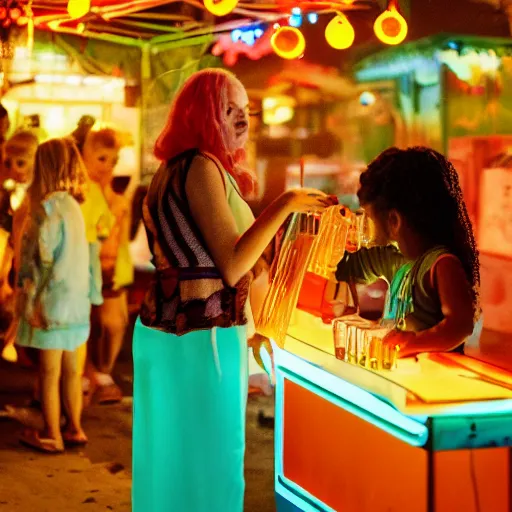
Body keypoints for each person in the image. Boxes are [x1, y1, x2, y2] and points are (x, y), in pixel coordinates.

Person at [132, 68, 334, 512]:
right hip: (203, 335)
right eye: (229, 110)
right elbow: (233, 264)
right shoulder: (201, 166)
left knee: (168, 458)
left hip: (166, 330)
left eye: (246, 110)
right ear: (202, 114)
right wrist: (286, 203)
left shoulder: (172, 169)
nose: (242, 120)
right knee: (212, 461)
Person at [336, 146, 480, 358]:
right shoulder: (399, 261)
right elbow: (349, 270)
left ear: (394, 221)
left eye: (370, 220)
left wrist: (412, 342)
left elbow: (460, 325)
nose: (367, 231)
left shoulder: (442, 263)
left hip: (435, 379)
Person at [15, 138, 91, 453]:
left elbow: (38, 261)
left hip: (52, 306)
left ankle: (50, 433)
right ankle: (74, 427)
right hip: (77, 304)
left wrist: (26, 297)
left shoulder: (46, 210)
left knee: (49, 372)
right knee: (72, 370)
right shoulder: (75, 207)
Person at [81, 125, 133, 404]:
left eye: (112, 160)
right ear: (87, 156)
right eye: (101, 158)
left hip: (112, 269)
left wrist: (123, 273)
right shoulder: (83, 194)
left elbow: (121, 241)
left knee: (113, 323)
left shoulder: (117, 198)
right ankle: (90, 373)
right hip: (85, 267)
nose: (107, 166)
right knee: (88, 323)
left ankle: (103, 372)